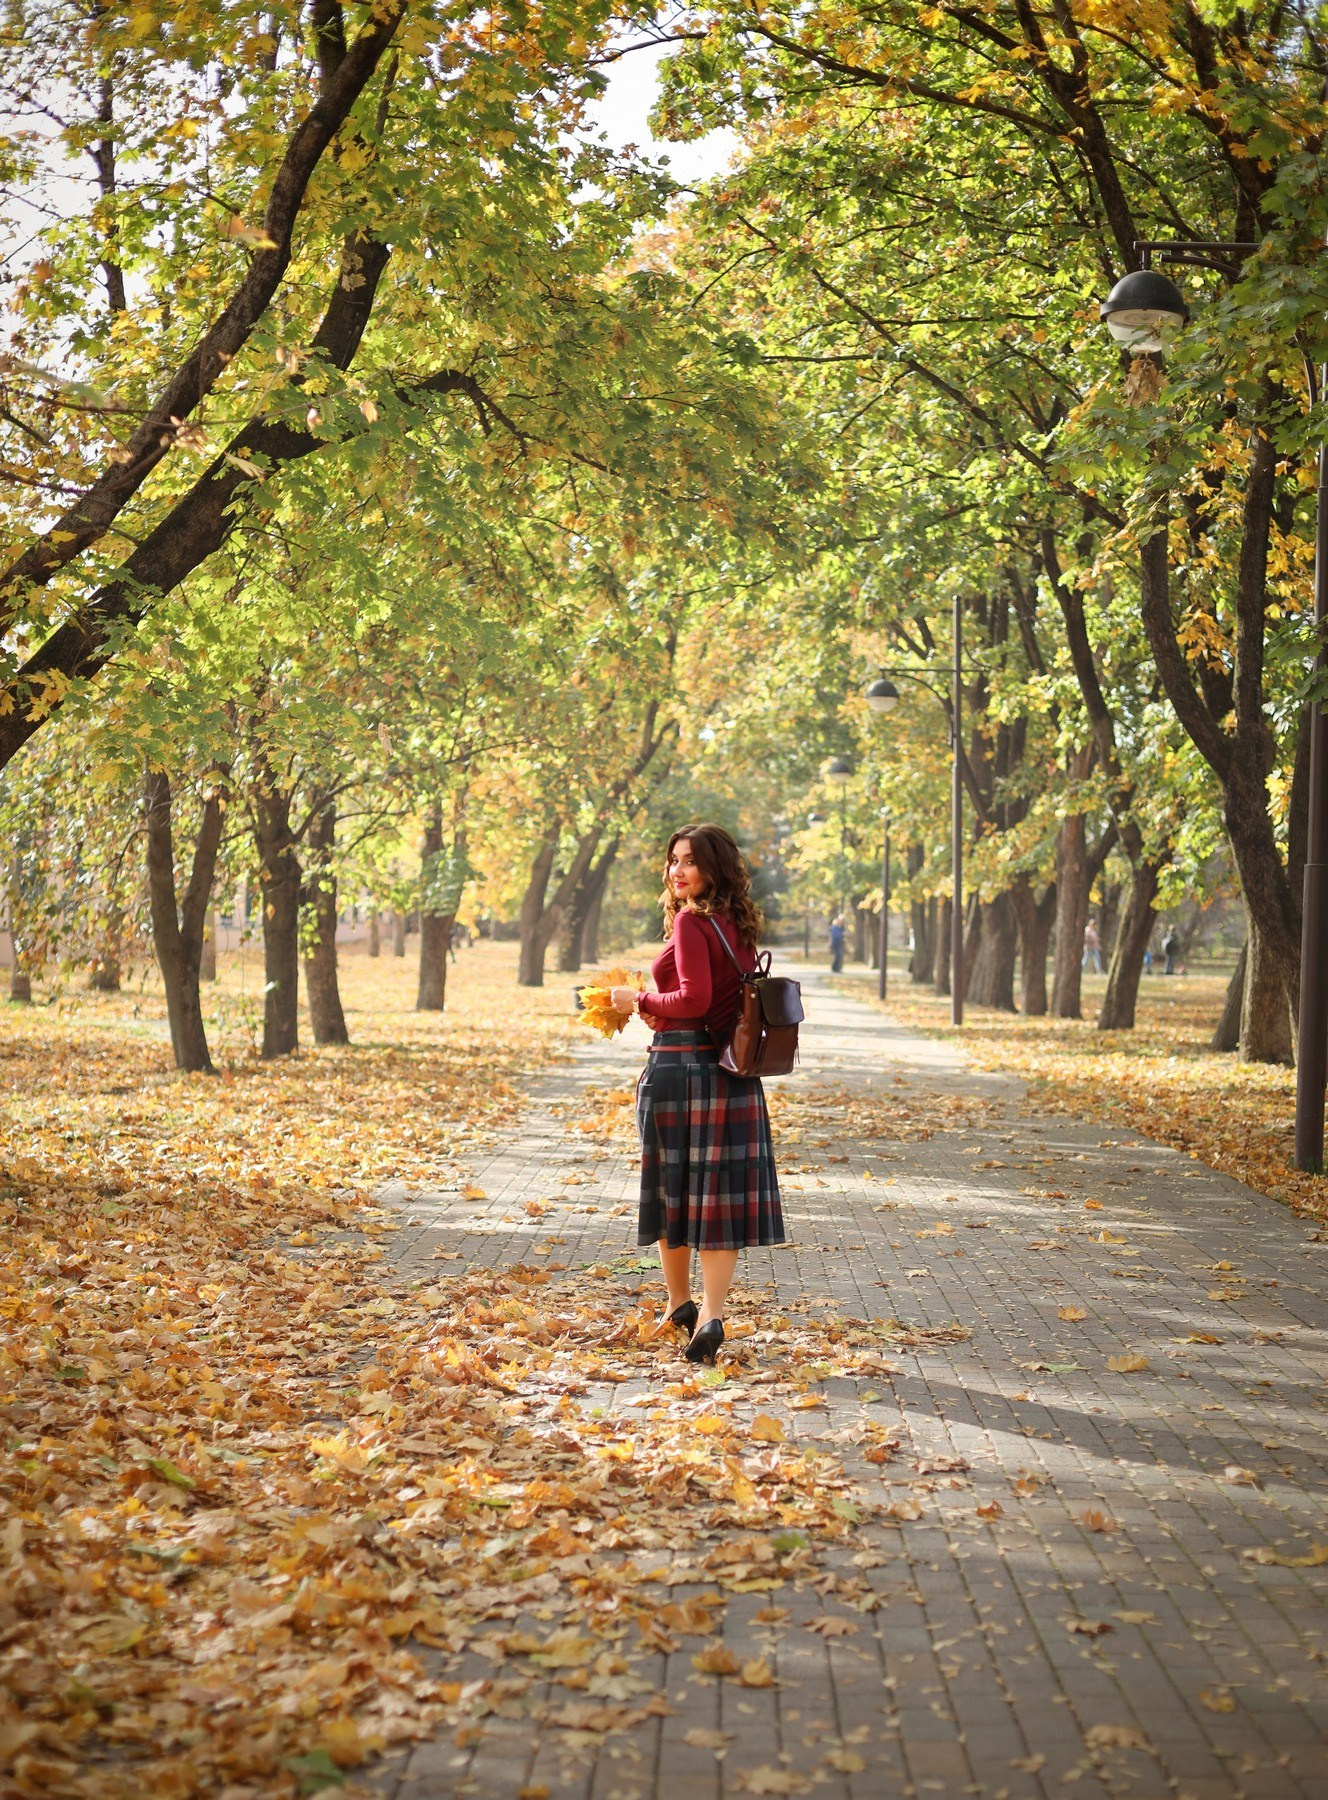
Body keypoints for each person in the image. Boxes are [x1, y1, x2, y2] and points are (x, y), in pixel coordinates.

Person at [609, 824, 784, 1366]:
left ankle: (682, 1303)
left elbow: (691, 999)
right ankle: (704, 1312)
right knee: (718, 1198)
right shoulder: (736, 923)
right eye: (672, 860)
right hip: (731, 1075)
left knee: (673, 1192)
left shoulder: (690, 920)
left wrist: (634, 997)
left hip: (680, 1068)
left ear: (713, 868)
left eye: (688, 861)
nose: (676, 870)